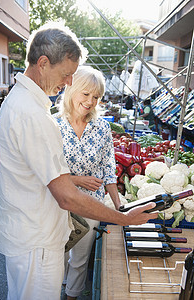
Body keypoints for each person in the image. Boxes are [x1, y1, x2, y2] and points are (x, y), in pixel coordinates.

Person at [0, 21, 158, 300]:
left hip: (29, 237)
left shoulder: (23, 104)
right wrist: (123, 218)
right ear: (43, 63)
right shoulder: (32, 115)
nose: (69, 82)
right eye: (67, 74)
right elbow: (67, 197)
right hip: (38, 243)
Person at [56, 65, 122, 299]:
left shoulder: (102, 128)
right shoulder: (53, 125)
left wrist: (119, 209)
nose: (90, 101)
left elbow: (109, 171)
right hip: (58, 204)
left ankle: (72, 296)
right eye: (86, 94)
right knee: (57, 259)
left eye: (96, 97)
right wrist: (77, 179)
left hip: (90, 205)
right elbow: (44, 171)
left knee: (80, 259)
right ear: (71, 89)